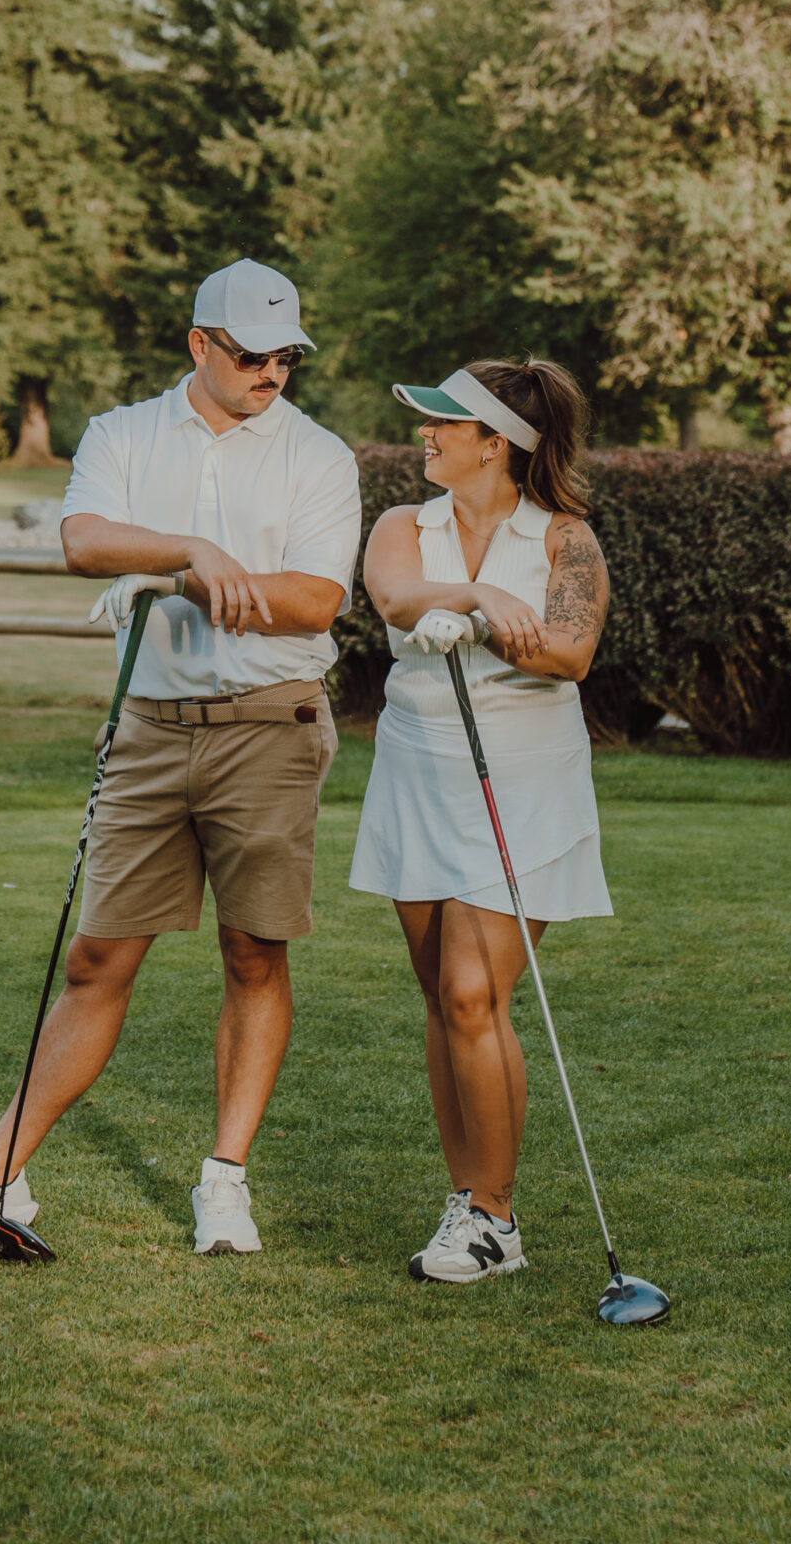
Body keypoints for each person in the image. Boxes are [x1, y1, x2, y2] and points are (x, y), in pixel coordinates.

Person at [0, 258, 362, 1256]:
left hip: (271, 724)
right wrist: (186, 547)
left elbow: (316, 599)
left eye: (287, 356)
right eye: (253, 354)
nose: (273, 372)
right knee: (98, 956)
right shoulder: (123, 433)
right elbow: (83, 538)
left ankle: (224, 1183)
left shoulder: (319, 455)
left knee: (253, 950)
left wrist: (181, 578)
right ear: (200, 345)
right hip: (147, 728)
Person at [350, 357, 611, 1287]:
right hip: (418, 770)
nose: (423, 434)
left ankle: (497, 1216)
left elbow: (572, 652)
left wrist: (489, 626)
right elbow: (391, 599)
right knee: (440, 995)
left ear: (493, 442)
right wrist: (470, 596)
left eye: (442, 423)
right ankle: (468, 1198)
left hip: (524, 778)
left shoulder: (564, 541)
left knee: (471, 993)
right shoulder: (398, 524)